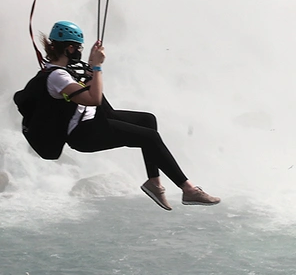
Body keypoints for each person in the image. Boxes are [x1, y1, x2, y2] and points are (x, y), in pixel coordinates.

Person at [42, 20, 220, 211]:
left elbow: (98, 102)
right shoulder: (57, 76)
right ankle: (188, 189)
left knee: (147, 120)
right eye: (78, 48)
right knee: (149, 138)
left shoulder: (64, 72)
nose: (80, 52)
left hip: (92, 121)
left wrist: (91, 71)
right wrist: (97, 68)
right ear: (69, 48)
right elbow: (94, 100)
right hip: (83, 134)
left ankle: (154, 183)